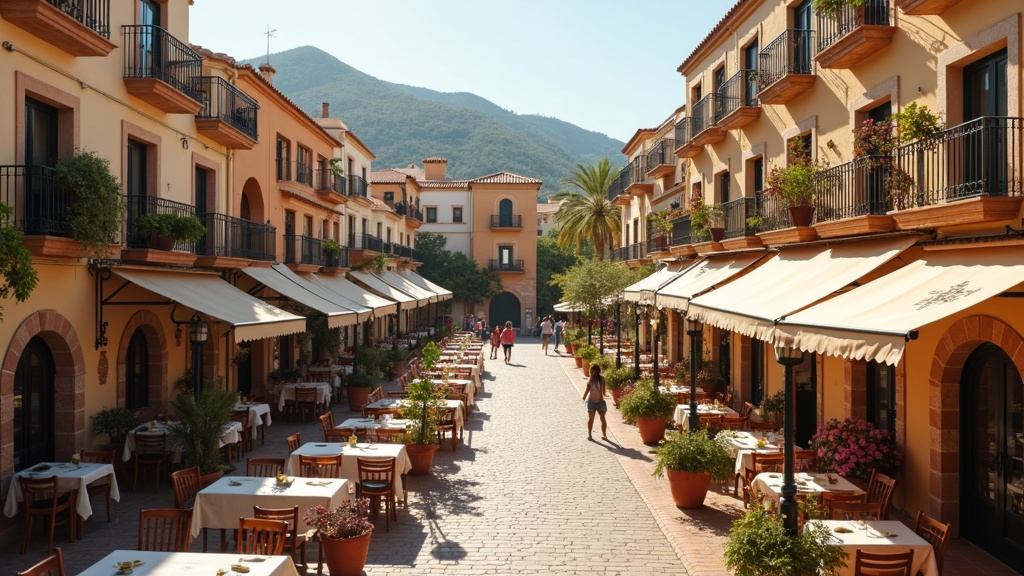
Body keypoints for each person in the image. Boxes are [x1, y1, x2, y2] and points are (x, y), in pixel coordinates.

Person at [582, 364, 608, 441]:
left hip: (591, 402)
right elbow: (603, 391)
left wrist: (583, 398)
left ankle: (590, 435)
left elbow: (586, 391)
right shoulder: (602, 379)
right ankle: (604, 435)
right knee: (602, 418)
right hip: (600, 401)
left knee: (591, 419)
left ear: (591, 371)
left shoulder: (590, 380)